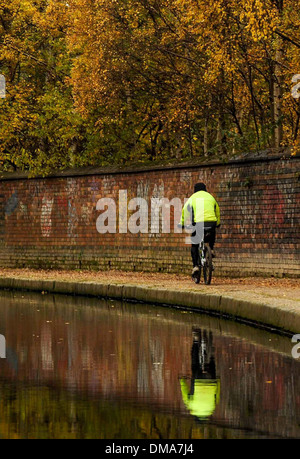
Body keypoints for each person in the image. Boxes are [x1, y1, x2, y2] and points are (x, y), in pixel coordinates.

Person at [180, 182, 220, 276]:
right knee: (212, 231)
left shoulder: (193, 198)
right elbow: (217, 211)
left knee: (194, 244)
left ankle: (195, 266)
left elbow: (185, 211)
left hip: (198, 224)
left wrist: (182, 224)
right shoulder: (211, 197)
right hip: (211, 223)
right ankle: (211, 248)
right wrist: (218, 223)